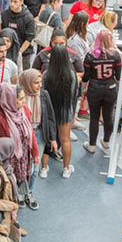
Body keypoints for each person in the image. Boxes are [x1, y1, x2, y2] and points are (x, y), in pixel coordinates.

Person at [82, 30, 121, 153]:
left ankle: (92, 145)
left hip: (94, 88)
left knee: (94, 117)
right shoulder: (116, 55)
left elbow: (86, 77)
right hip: (110, 88)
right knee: (108, 116)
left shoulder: (90, 55)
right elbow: (119, 76)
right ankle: (106, 142)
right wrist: (118, 90)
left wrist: (83, 90)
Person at [43, 45, 78, 178]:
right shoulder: (71, 75)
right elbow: (74, 96)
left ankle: (44, 168)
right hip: (65, 110)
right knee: (65, 140)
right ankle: (66, 168)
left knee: (47, 139)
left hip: (49, 110)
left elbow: (43, 94)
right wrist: (73, 112)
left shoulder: (46, 75)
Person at [19, 69, 57, 186]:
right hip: (22, 135)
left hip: (39, 133)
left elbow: (50, 117)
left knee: (35, 165)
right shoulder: (20, 95)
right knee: (21, 165)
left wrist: (53, 138)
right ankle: (20, 192)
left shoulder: (44, 95)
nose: (40, 85)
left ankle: (29, 191)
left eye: (40, 82)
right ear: (27, 82)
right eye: (36, 83)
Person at [1, 0, 35, 70]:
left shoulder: (28, 18)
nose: (12, 4)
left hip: (23, 53)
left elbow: (29, 38)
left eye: (15, 2)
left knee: (23, 77)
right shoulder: (5, 14)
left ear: (21, 2)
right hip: (8, 52)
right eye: (11, 1)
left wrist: (19, 53)